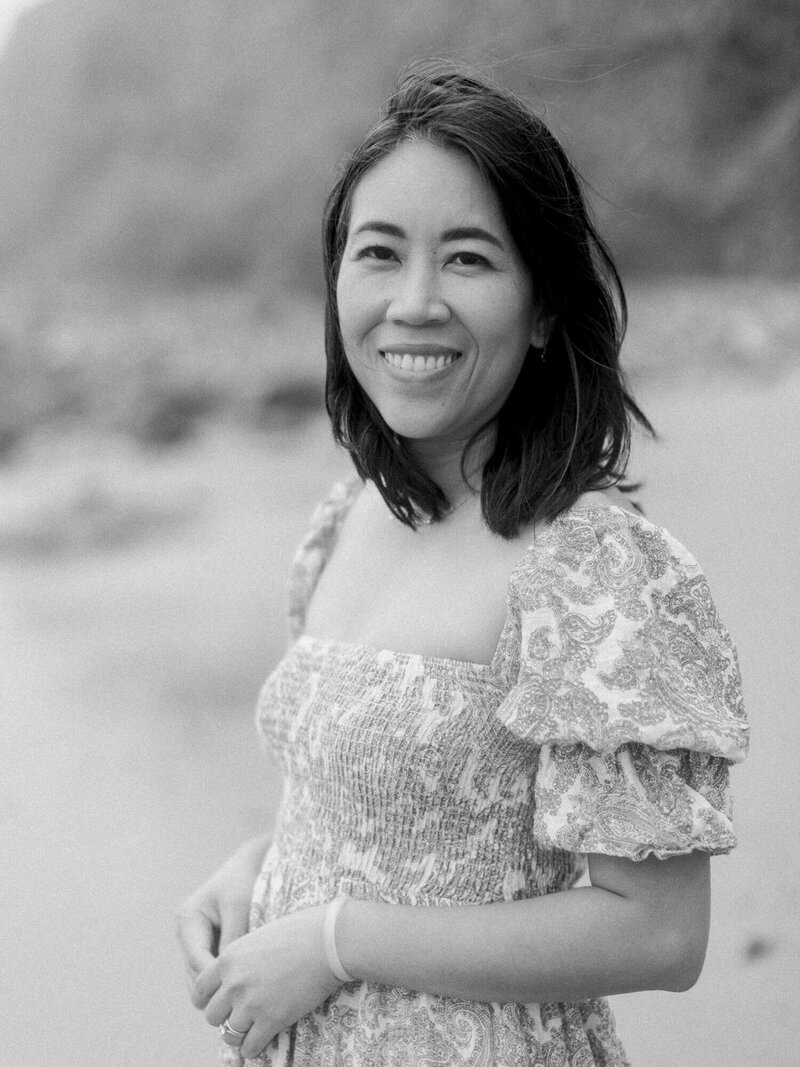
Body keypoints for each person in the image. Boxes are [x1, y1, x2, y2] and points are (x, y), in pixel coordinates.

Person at [176, 61, 748, 1066]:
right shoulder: (344, 518)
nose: (414, 302)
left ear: (539, 309)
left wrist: (331, 939)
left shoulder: (594, 572)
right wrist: (262, 873)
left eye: (468, 259)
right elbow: (395, 818)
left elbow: (656, 930)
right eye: (378, 252)